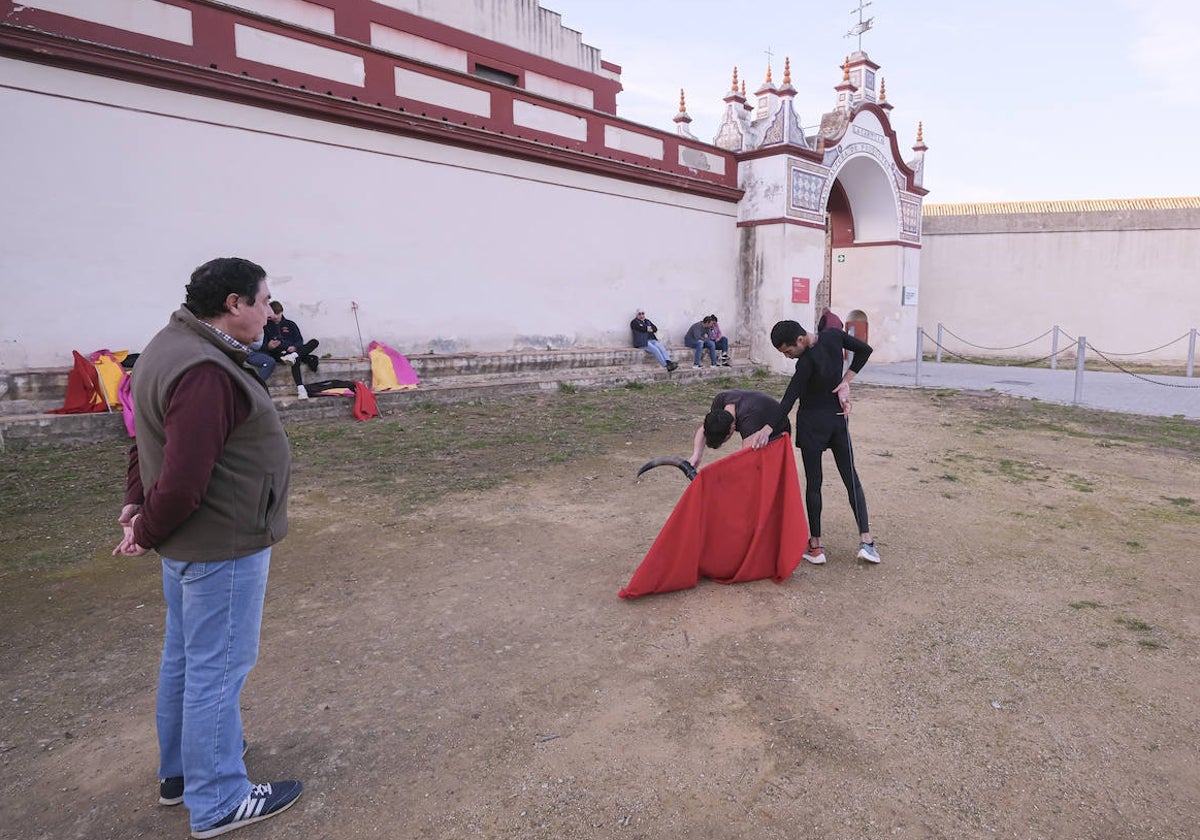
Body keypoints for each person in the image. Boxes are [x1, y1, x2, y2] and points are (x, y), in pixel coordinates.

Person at [113, 257, 303, 838]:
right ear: (233, 304)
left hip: (198, 544)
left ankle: (181, 772)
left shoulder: (171, 344)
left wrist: (136, 502)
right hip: (222, 544)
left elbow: (151, 440)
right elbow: (186, 473)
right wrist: (144, 526)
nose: (271, 312)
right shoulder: (204, 369)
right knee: (217, 669)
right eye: (265, 301)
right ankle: (219, 797)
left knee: (188, 659)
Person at [770, 318, 880, 566]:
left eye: (788, 352)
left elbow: (788, 400)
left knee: (814, 484)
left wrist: (767, 429)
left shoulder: (806, 362)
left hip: (811, 425)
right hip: (837, 420)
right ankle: (867, 542)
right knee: (851, 478)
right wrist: (846, 380)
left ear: (800, 340)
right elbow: (865, 350)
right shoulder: (833, 336)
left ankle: (816, 547)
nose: (788, 357)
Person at [687, 389, 790, 469]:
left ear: (732, 429)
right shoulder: (720, 400)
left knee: (759, 468)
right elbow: (704, 429)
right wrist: (697, 454)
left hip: (778, 427)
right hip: (757, 407)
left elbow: (747, 458)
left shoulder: (749, 422)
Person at [263, 301, 319, 399]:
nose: (275, 317)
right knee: (295, 358)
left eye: (277, 314)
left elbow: (299, 341)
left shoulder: (291, 324)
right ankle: (300, 388)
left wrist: (295, 347)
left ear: (282, 312)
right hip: (279, 353)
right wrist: (277, 346)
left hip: (293, 351)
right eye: (273, 314)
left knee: (314, 342)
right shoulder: (266, 326)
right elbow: (268, 344)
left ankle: (295, 354)